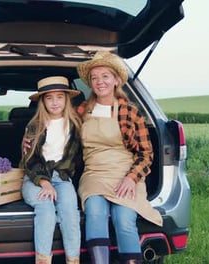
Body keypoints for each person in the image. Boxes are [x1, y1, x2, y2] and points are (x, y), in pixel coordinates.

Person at [75, 51, 163, 264]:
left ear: (115, 80)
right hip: (94, 174)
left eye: (105, 76)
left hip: (125, 175)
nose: (99, 82)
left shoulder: (130, 112)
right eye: (94, 78)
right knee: (95, 212)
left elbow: (146, 153)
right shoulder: (82, 111)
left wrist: (132, 178)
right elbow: (61, 137)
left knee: (123, 219)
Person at [20, 76, 83, 264]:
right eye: (49, 98)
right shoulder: (35, 126)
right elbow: (29, 161)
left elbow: (80, 156)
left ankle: (73, 260)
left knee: (70, 213)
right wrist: (45, 183)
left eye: (59, 97)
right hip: (35, 179)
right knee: (46, 209)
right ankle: (43, 260)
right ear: (42, 102)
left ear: (67, 99)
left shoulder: (75, 125)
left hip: (62, 178)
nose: (55, 102)